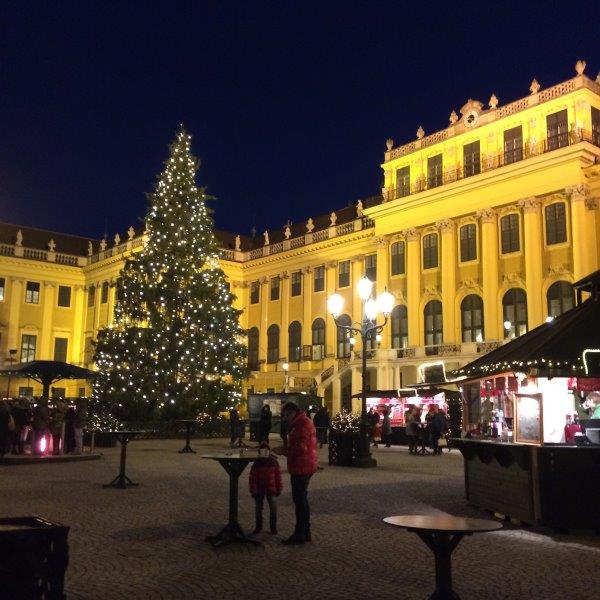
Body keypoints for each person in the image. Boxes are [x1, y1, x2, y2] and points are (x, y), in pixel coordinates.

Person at [273, 401, 318, 545]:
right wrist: (284, 446)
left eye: (285, 414)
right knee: (301, 500)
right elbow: (297, 445)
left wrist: (283, 451)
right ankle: (305, 532)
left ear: (293, 412)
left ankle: (300, 534)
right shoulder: (301, 422)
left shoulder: (301, 425)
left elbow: (300, 449)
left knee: (299, 501)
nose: (284, 418)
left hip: (302, 466)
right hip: (304, 465)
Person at [249, 441, 282, 534]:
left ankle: (273, 528)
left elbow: (278, 477)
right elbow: (253, 478)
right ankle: (258, 527)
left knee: (273, 509)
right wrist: (253, 490)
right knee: (258, 509)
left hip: (271, 489)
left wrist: (279, 488)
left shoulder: (273, 462)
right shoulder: (257, 463)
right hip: (260, 490)